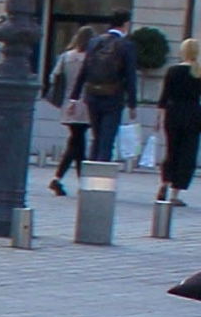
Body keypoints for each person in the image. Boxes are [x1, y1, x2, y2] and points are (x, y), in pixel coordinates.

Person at [160, 38, 201, 205]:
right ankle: (175, 193)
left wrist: (159, 118)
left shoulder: (172, 71)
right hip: (192, 115)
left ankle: (165, 182)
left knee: (172, 151)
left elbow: (164, 98)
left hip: (173, 113)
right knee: (187, 154)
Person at [80, 18, 137, 163]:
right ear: (125, 25)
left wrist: (74, 97)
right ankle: (101, 179)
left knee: (96, 137)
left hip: (92, 95)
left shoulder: (94, 42)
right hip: (113, 97)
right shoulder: (126, 46)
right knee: (107, 139)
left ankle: (90, 177)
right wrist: (132, 104)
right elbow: (130, 76)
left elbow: (84, 70)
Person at [49, 25, 96, 197]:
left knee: (77, 143)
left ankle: (72, 181)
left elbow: (54, 77)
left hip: (68, 103)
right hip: (84, 103)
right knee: (77, 143)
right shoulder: (90, 58)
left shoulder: (66, 56)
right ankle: (60, 179)